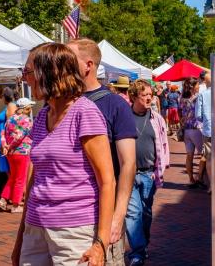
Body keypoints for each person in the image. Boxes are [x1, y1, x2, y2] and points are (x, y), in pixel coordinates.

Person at [12, 43, 116, 266]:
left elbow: (107, 181)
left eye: (28, 72)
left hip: (74, 232)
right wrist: (20, 238)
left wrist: (100, 243)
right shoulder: (42, 116)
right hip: (35, 228)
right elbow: (35, 179)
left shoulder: (85, 113)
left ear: (50, 73)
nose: (24, 79)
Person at [68, 39, 137, 266]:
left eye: (69, 59)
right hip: (71, 215)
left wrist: (118, 216)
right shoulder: (62, 103)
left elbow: (128, 163)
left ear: (88, 65)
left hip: (103, 213)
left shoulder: (115, 105)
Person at [125, 79, 169, 266]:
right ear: (134, 96)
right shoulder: (124, 117)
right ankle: (137, 253)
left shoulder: (157, 119)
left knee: (146, 213)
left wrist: (160, 169)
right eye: (145, 95)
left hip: (149, 173)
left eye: (151, 95)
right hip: (128, 175)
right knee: (133, 213)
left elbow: (164, 144)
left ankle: (143, 244)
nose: (149, 98)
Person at [0, 97, 34, 213]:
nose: (31, 109)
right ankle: (16, 205)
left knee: (13, 177)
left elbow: (3, 133)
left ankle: (3, 200)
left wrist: (6, 146)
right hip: (22, 152)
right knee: (20, 179)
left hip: (11, 153)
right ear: (25, 108)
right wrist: (11, 145)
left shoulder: (10, 119)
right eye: (29, 107)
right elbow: (20, 136)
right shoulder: (27, 120)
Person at [179, 78, 203, 188]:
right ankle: (199, 178)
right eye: (198, 85)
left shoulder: (182, 98)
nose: (199, 87)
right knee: (205, 155)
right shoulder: (197, 98)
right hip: (196, 128)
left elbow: (181, 113)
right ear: (193, 87)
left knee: (189, 156)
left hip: (186, 130)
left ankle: (191, 179)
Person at [195, 71, 213, 193]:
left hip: (208, 130)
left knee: (209, 158)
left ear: (205, 82)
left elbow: (198, 115)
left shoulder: (202, 94)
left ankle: (212, 185)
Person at [0, 88, 17, 176]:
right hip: (2, 138)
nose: (1, 98)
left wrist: (5, 143)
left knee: (9, 168)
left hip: (5, 140)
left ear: (5, 96)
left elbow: (10, 127)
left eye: (2, 96)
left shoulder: (11, 106)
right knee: (7, 168)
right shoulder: (9, 106)